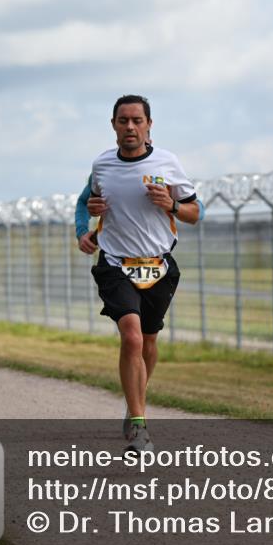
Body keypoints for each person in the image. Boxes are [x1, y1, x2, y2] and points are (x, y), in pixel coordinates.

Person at [78, 94, 201, 452]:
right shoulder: (102, 165)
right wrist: (86, 224)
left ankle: (135, 403)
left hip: (159, 265)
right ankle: (139, 424)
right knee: (130, 337)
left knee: (148, 341)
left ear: (148, 126)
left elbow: (196, 213)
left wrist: (173, 205)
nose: (129, 127)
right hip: (116, 262)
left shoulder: (167, 162)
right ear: (113, 125)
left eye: (136, 120)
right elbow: (87, 203)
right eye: (122, 121)